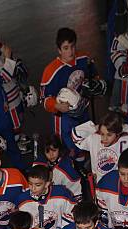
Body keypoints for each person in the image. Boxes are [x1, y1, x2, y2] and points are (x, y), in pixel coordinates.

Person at [40, 28, 98, 156]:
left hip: (82, 109)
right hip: (63, 117)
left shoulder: (83, 58)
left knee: (85, 139)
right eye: (66, 48)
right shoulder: (50, 71)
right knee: (66, 148)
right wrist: (56, 105)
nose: (70, 51)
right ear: (59, 50)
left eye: (72, 46)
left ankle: (83, 165)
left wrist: (95, 85)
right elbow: (44, 100)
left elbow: (93, 77)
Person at [71, 111, 128, 184]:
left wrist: (123, 127)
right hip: (99, 186)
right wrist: (95, 127)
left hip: (118, 186)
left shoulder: (126, 140)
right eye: (102, 134)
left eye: (109, 135)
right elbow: (76, 136)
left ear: (117, 133)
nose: (104, 138)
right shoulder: (94, 138)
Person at [16, 164, 76, 229]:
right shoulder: (22, 200)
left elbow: (74, 216)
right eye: (30, 184)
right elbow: (18, 228)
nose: (33, 188)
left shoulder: (62, 193)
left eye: (37, 185)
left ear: (47, 184)